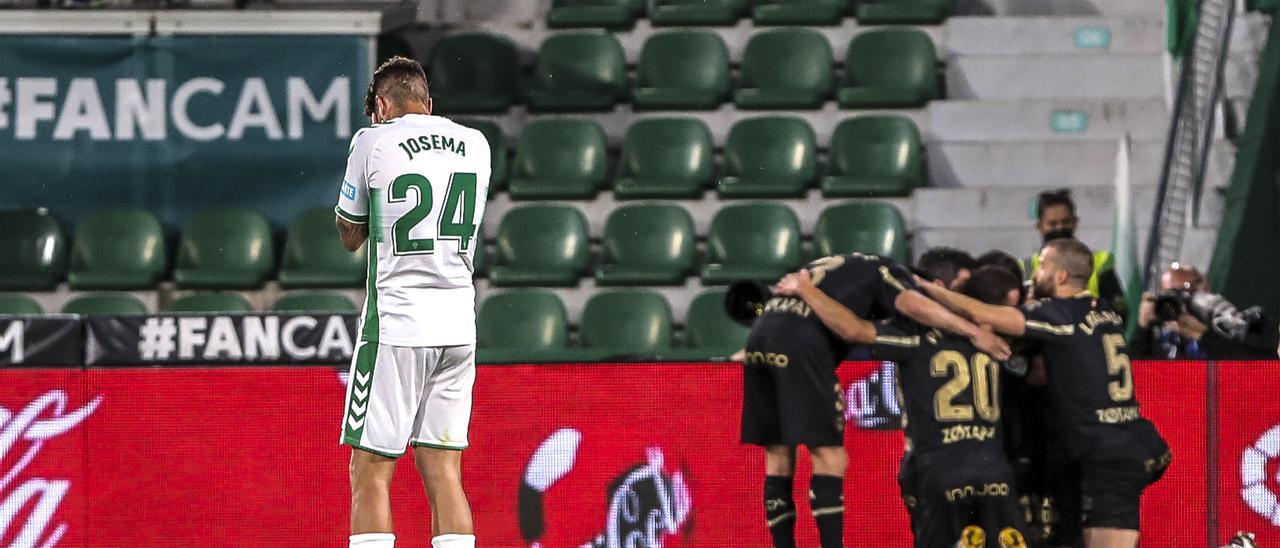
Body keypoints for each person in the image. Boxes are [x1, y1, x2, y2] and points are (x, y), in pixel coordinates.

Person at [739, 253, 1011, 548]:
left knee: (778, 456)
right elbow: (899, 308)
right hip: (803, 343)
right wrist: (972, 330)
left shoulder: (846, 269)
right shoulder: (890, 272)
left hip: (759, 336)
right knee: (828, 455)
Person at [918, 239, 1171, 548]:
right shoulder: (1103, 310)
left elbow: (982, 313)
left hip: (1110, 457)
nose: (1035, 274)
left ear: (1061, 276)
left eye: (1042, 267)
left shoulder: (1059, 315)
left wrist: (923, 288)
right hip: (1138, 441)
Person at [334, 56, 491, 548]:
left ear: (379, 106)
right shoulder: (477, 144)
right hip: (459, 324)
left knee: (371, 469)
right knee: (443, 467)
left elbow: (350, 234)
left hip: (397, 324)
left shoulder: (371, 140)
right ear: (429, 102)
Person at [1131, 263, 1279, 360]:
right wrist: (1143, 328)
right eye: (1172, 295)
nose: (1182, 299)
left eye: (1187, 289)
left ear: (1205, 286)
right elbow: (1135, 379)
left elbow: (1264, 366)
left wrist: (1202, 335)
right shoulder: (1164, 341)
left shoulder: (1233, 323)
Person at [1024, 189, 1126, 315]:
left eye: (1065, 222)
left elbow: (1119, 310)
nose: (1060, 228)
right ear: (1039, 226)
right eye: (1052, 223)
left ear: (1075, 222)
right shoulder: (1026, 268)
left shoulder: (1100, 261)